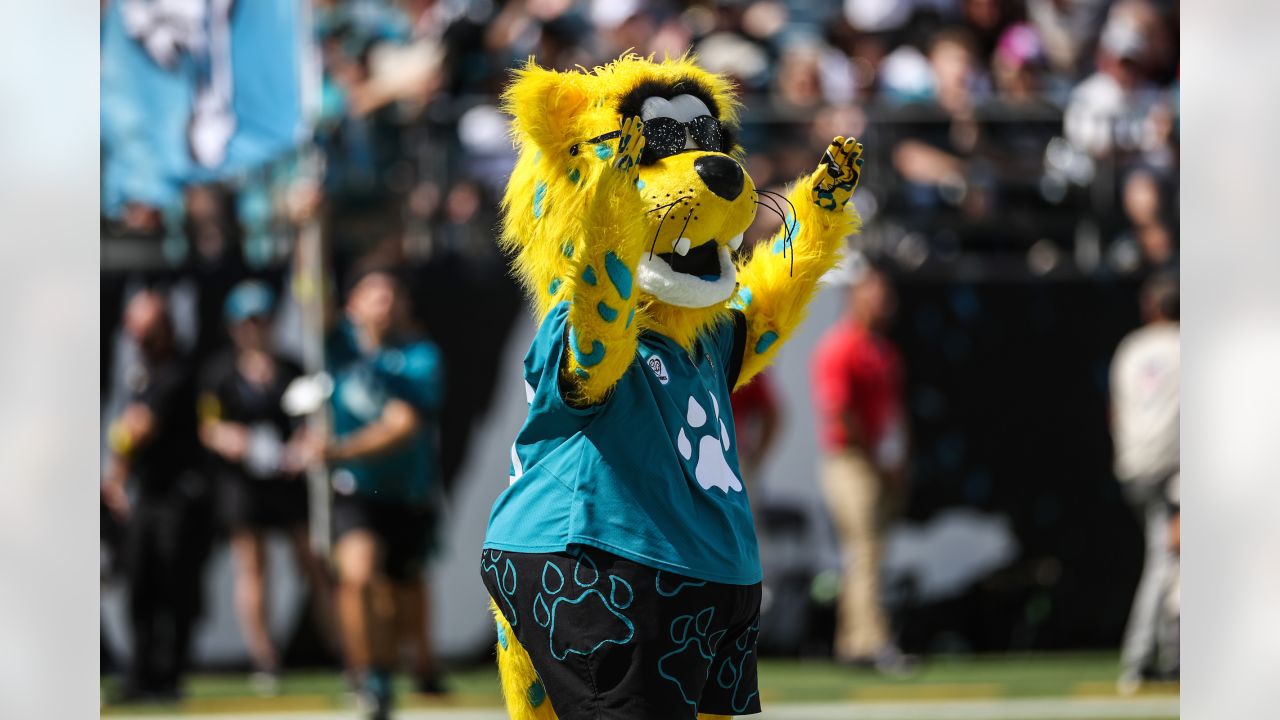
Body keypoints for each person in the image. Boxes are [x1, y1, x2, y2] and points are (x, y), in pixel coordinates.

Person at [301, 266, 446, 718]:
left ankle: (415, 664)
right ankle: (370, 675)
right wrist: (308, 226)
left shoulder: (419, 357)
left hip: (406, 491)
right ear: (353, 305)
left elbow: (402, 425)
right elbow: (310, 297)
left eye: (391, 294)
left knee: (403, 593)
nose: (383, 303)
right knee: (358, 576)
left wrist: (340, 450)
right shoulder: (336, 345)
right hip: (356, 490)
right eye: (373, 294)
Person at [196, 280, 332, 695]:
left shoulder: (293, 368)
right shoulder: (219, 373)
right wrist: (238, 442)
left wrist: (301, 448)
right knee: (253, 568)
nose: (257, 329)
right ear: (235, 327)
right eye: (248, 322)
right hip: (244, 484)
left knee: (314, 561)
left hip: (288, 481)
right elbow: (209, 426)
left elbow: (313, 423)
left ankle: (346, 651)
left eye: (264, 320)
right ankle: (264, 657)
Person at [102, 289, 210, 702]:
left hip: (181, 496)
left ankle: (169, 675)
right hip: (148, 495)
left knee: (175, 587)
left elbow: (137, 430)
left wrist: (120, 447)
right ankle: (142, 673)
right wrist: (116, 479)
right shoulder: (142, 372)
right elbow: (127, 436)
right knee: (140, 585)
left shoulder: (180, 370)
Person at [810, 264, 913, 674]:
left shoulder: (884, 351)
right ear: (857, 296)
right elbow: (841, 412)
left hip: (880, 463)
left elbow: (895, 414)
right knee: (866, 548)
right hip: (850, 462)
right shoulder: (841, 346)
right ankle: (873, 641)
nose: (886, 302)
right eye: (878, 292)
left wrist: (901, 459)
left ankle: (854, 642)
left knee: (868, 553)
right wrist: (877, 458)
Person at [1110, 272, 1179, 693]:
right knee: (1164, 561)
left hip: (1134, 467)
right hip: (1174, 470)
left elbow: (1114, 412)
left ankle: (1173, 656)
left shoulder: (1129, 348)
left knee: (1174, 563)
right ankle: (1137, 659)